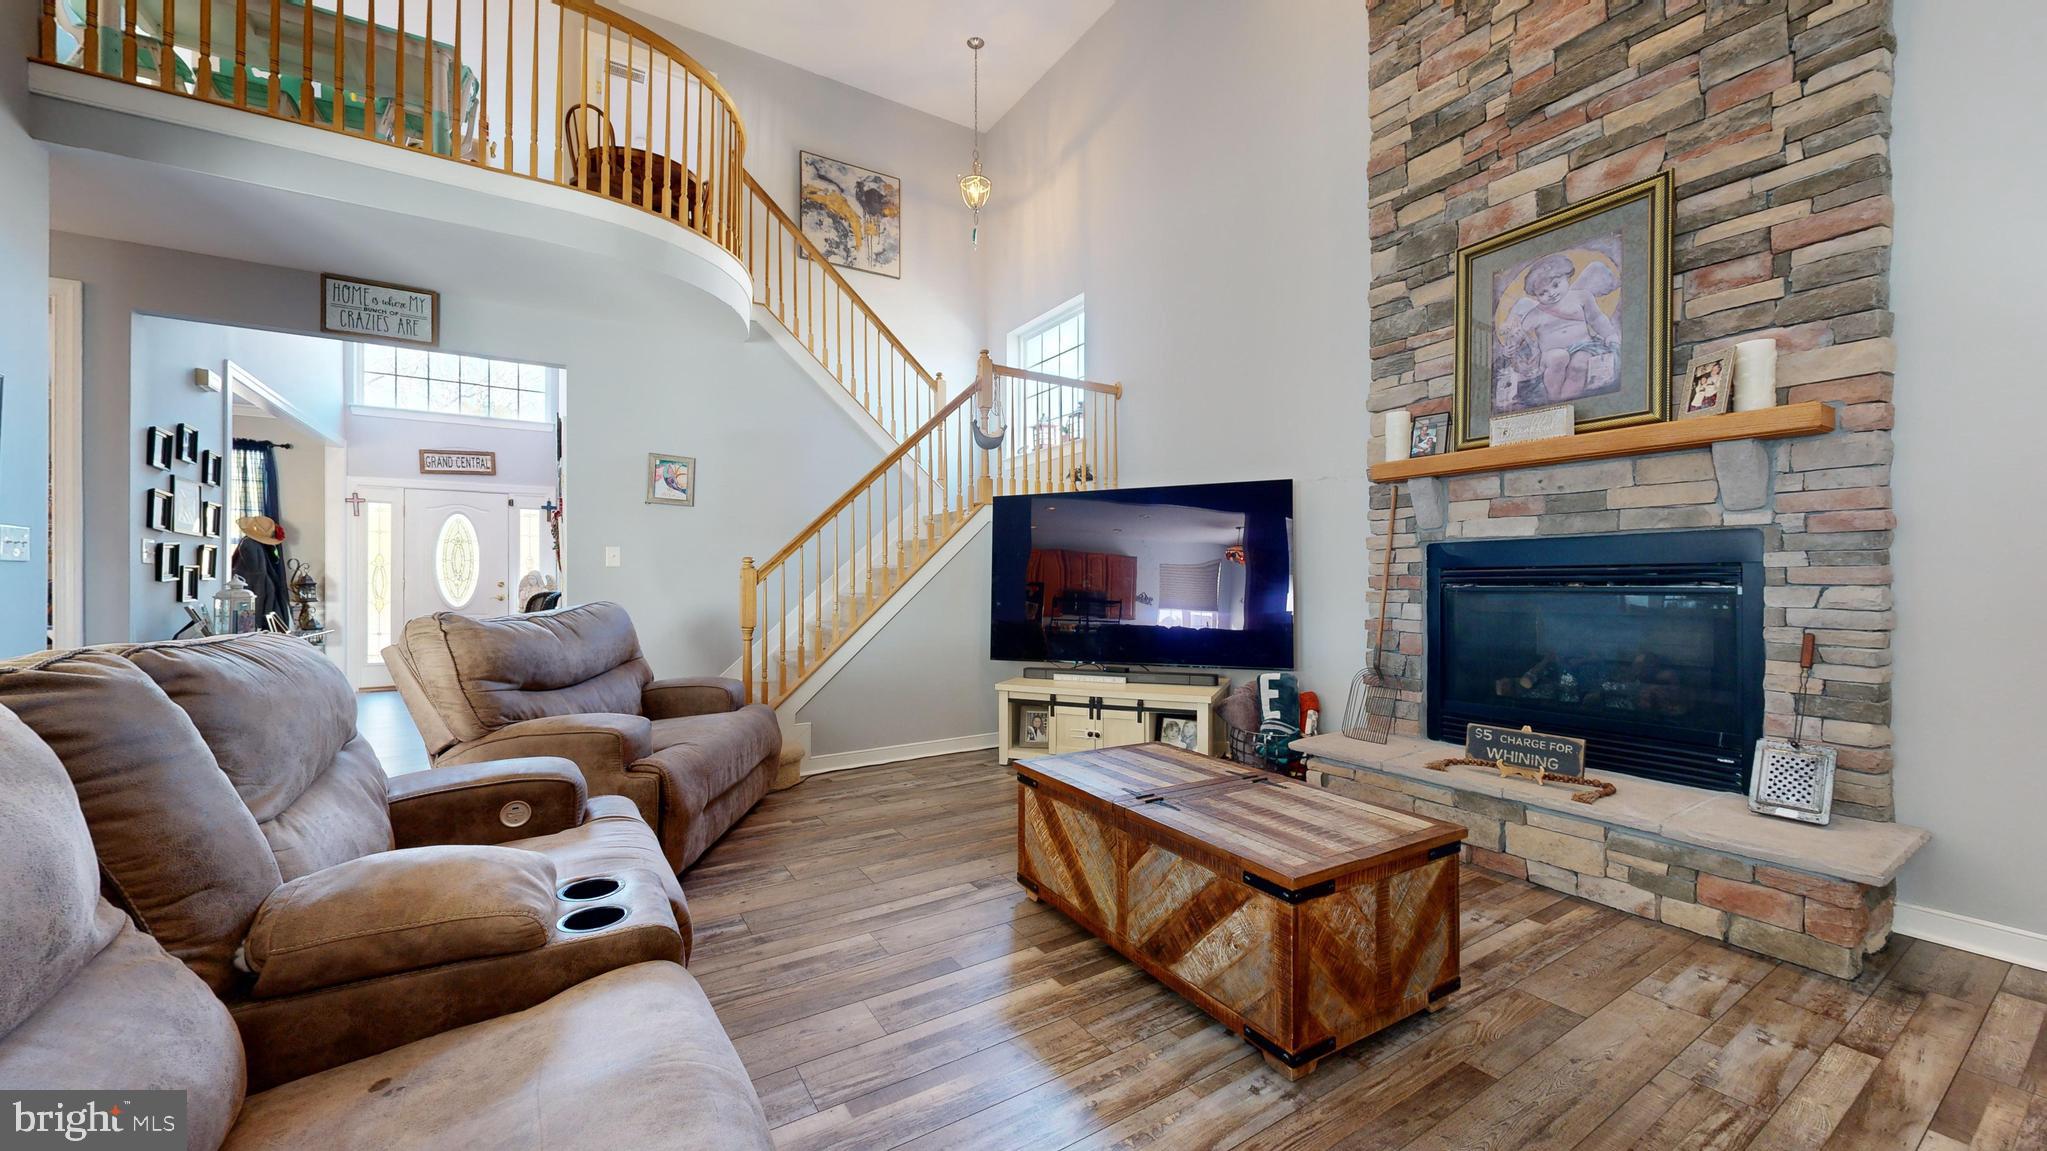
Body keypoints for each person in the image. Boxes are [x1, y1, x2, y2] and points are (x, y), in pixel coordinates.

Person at [1497, 252, 1621, 406]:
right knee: (1558, 357)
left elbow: (1596, 318)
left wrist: (1609, 335)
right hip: (1551, 353)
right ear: (1535, 295)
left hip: (1584, 345)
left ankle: (1568, 403)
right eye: (1543, 293)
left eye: (1555, 285)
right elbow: (1517, 336)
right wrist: (1509, 349)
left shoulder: (1582, 297)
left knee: (1580, 364)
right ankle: (1554, 400)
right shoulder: (1534, 314)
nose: (1551, 294)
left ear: (1566, 277)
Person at [231, 515, 291, 629]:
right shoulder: (250, 545)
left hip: (255, 590)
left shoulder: (252, 544)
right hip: (253, 591)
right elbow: (258, 578)